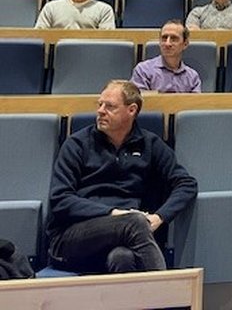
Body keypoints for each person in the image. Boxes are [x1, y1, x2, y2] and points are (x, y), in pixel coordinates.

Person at [46, 80, 198, 274]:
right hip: (73, 236)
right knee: (134, 223)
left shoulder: (149, 144)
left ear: (132, 110)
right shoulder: (77, 144)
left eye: (110, 106)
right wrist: (114, 213)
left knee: (122, 258)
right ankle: (166, 291)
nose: (100, 111)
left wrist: (159, 217)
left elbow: (186, 184)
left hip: (125, 238)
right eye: (100, 104)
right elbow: (60, 199)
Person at [130, 20, 202, 93]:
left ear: (185, 44)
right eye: (164, 38)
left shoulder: (193, 77)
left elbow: (196, 100)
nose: (167, 43)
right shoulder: (143, 70)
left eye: (174, 39)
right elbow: (139, 99)